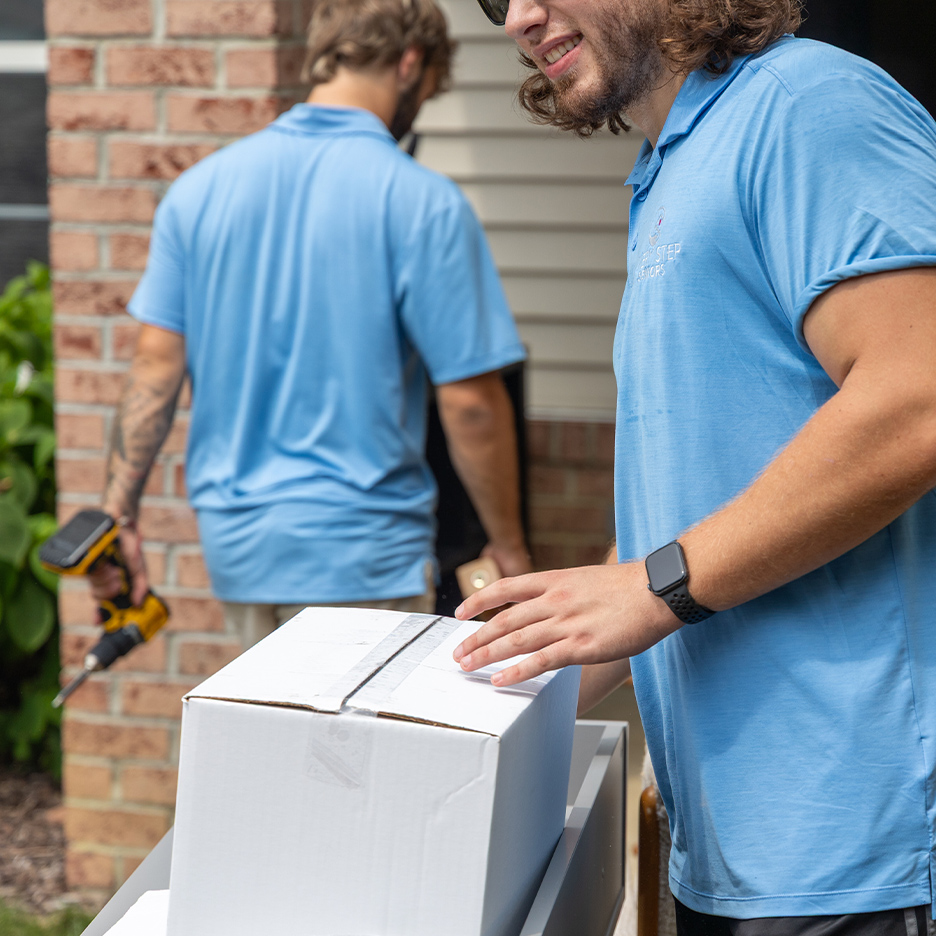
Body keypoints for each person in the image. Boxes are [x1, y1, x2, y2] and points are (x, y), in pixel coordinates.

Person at [454, 0, 936, 932]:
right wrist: (512, 668)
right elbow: (693, 512)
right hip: (732, 847)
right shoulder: (670, 165)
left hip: (860, 847)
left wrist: (653, 586)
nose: (516, 15)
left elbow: (917, 394)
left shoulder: (808, 105)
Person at [93, 0, 532, 649]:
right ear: (411, 62)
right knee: (367, 753)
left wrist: (116, 513)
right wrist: (509, 546)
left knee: (266, 747)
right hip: (366, 558)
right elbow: (470, 403)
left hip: (240, 555)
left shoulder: (197, 192)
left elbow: (153, 372)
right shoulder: (421, 201)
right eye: (429, 89)